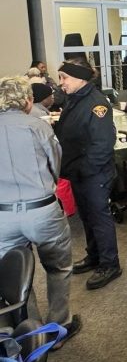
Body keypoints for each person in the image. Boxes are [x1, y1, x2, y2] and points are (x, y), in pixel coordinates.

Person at [0, 76, 81, 346]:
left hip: (3, 216)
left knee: (15, 276)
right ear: (27, 100)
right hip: (42, 210)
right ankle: (59, 326)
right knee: (58, 268)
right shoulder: (38, 126)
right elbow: (55, 167)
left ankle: (32, 332)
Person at [54, 58, 121, 290]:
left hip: (94, 173)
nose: (61, 83)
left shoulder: (96, 104)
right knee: (87, 217)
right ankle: (94, 256)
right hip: (79, 172)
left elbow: (102, 145)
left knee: (99, 218)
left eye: (64, 77)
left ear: (80, 78)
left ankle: (110, 264)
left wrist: (84, 170)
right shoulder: (75, 99)